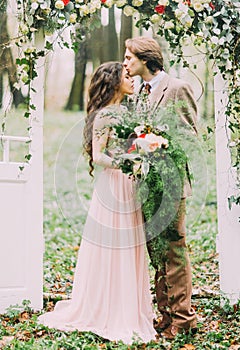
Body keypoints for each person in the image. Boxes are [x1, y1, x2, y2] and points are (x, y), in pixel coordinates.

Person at [38, 62, 156, 344]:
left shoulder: (126, 112)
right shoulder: (104, 116)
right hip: (114, 184)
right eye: (126, 76)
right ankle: (108, 309)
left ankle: (128, 306)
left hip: (128, 185)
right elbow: (98, 157)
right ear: (114, 82)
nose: (131, 79)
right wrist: (128, 161)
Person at [123, 36, 198, 339]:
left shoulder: (177, 88)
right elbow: (133, 139)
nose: (125, 62)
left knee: (174, 251)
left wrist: (159, 144)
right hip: (145, 185)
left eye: (129, 57)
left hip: (171, 184)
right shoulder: (138, 93)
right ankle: (165, 316)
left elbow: (191, 136)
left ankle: (184, 319)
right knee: (156, 253)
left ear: (145, 58)